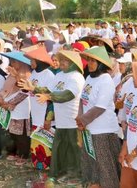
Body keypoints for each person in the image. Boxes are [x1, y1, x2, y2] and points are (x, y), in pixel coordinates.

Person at [32, 50, 85, 183]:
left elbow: (66, 95)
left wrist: (49, 97)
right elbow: (48, 89)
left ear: (73, 63)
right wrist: (33, 88)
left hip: (73, 121)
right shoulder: (59, 75)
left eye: (64, 60)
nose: (61, 62)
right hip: (61, 121)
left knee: (73, 149)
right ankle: (61, 172)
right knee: (60, 149)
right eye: (60, 60)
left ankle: (75, 176)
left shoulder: (76, 77)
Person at [76, 46, 121, 188]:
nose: (89, 63)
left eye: (93, 61)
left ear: (101, 63)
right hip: (89, 128)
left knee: (105, 168)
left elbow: (100, 107)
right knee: (91, 163)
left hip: (103, 131)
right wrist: (80, 118)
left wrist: (82, 120)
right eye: (88, 60)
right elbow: (82, 100)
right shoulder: (89, 77)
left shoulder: (106, 80)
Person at [0, 51, 32, 166]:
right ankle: (17, 152)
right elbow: (7, 89)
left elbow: (25, 90)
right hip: (11, 106)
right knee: (13, 132)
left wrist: (10, 103)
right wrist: (3, 100)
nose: (12, 63)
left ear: (21, 62)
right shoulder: (12, 74)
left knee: (22, 134)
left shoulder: (26, 73)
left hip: (21, 106)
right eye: (11, 61)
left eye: (14, 61)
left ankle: (24, 155)